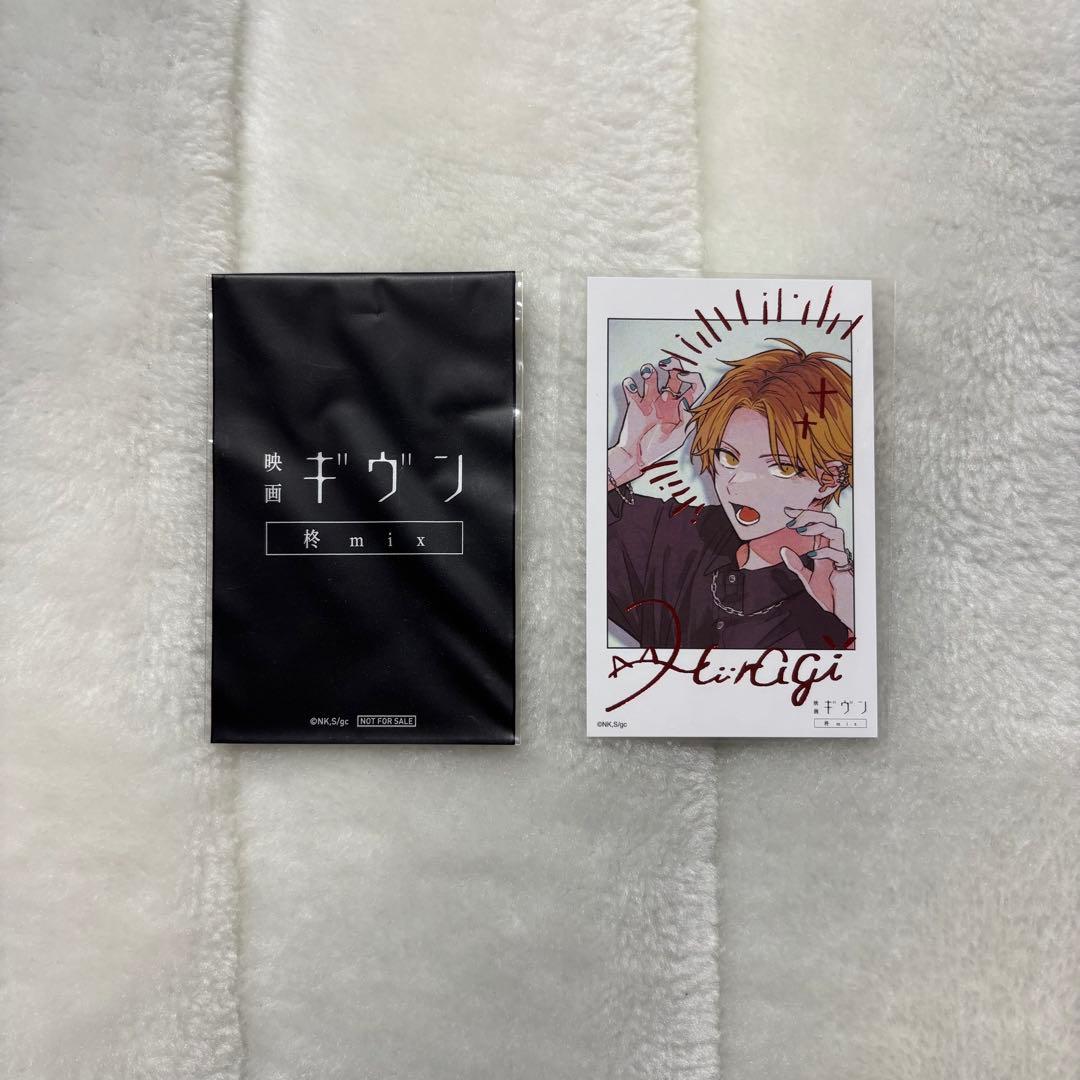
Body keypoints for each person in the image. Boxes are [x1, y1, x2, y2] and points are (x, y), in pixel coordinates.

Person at [606, 338, 855, 650]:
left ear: (829, 478)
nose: (738, 484)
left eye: (781, 467)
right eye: (728, 457)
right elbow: (567, 531)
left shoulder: (840, 593)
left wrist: (853, 627)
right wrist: (628, 457)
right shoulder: (681, 536)